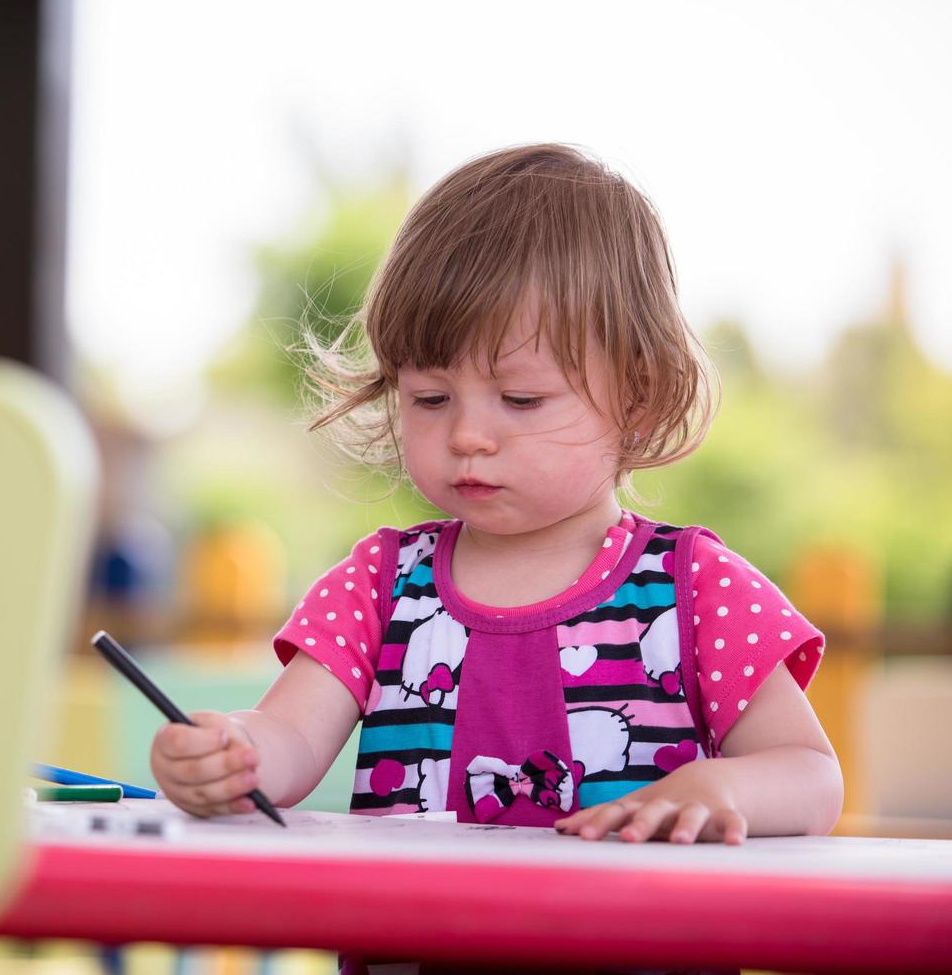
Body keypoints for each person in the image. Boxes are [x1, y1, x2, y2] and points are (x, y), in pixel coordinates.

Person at [149, 144, 842, 853]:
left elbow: (812, 776)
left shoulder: (696, 587)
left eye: (519, 398)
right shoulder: (380, 587)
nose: (467, 435)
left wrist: (720, 788)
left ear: (638, 395)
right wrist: (230, 754)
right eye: (429, 397)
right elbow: (289, 735)